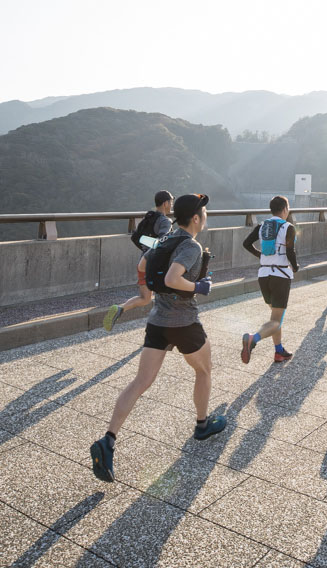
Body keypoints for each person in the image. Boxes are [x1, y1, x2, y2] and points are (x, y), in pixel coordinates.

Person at [91, 193, 226, 483]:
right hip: (184, 322)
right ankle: (202, 425)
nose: (206, 216)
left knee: (140, 382)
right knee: (204, 370)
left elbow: (143, 266)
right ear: (195, 218)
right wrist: (198, 287)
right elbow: (171, 279)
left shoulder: (164, 239)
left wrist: (159, 290)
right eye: (204, 213)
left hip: (157, 321)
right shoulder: (190, 246)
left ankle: (108, 440)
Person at [104, 190, 175, 331]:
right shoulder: (165, 221)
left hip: (143, 262)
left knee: (145, 298)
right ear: (165, 203)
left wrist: (145, 249)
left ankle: (120, 308)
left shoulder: (149, 217)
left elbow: (135, 237)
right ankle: (163, 325)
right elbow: (162, 242)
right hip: (157, 265)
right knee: (167, 294)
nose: (172, 204)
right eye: (171, 201)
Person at [240, 196, 299, 364]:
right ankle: (253, 338)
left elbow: (246, 243)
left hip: (264, 275)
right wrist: (295, 266)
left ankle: (279, 351)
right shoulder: (288, 227)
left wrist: (261, 255)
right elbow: (290, 251)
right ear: (285, 209)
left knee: (275, 317)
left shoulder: (262, 226)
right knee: (276, 320)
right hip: (280, 276)